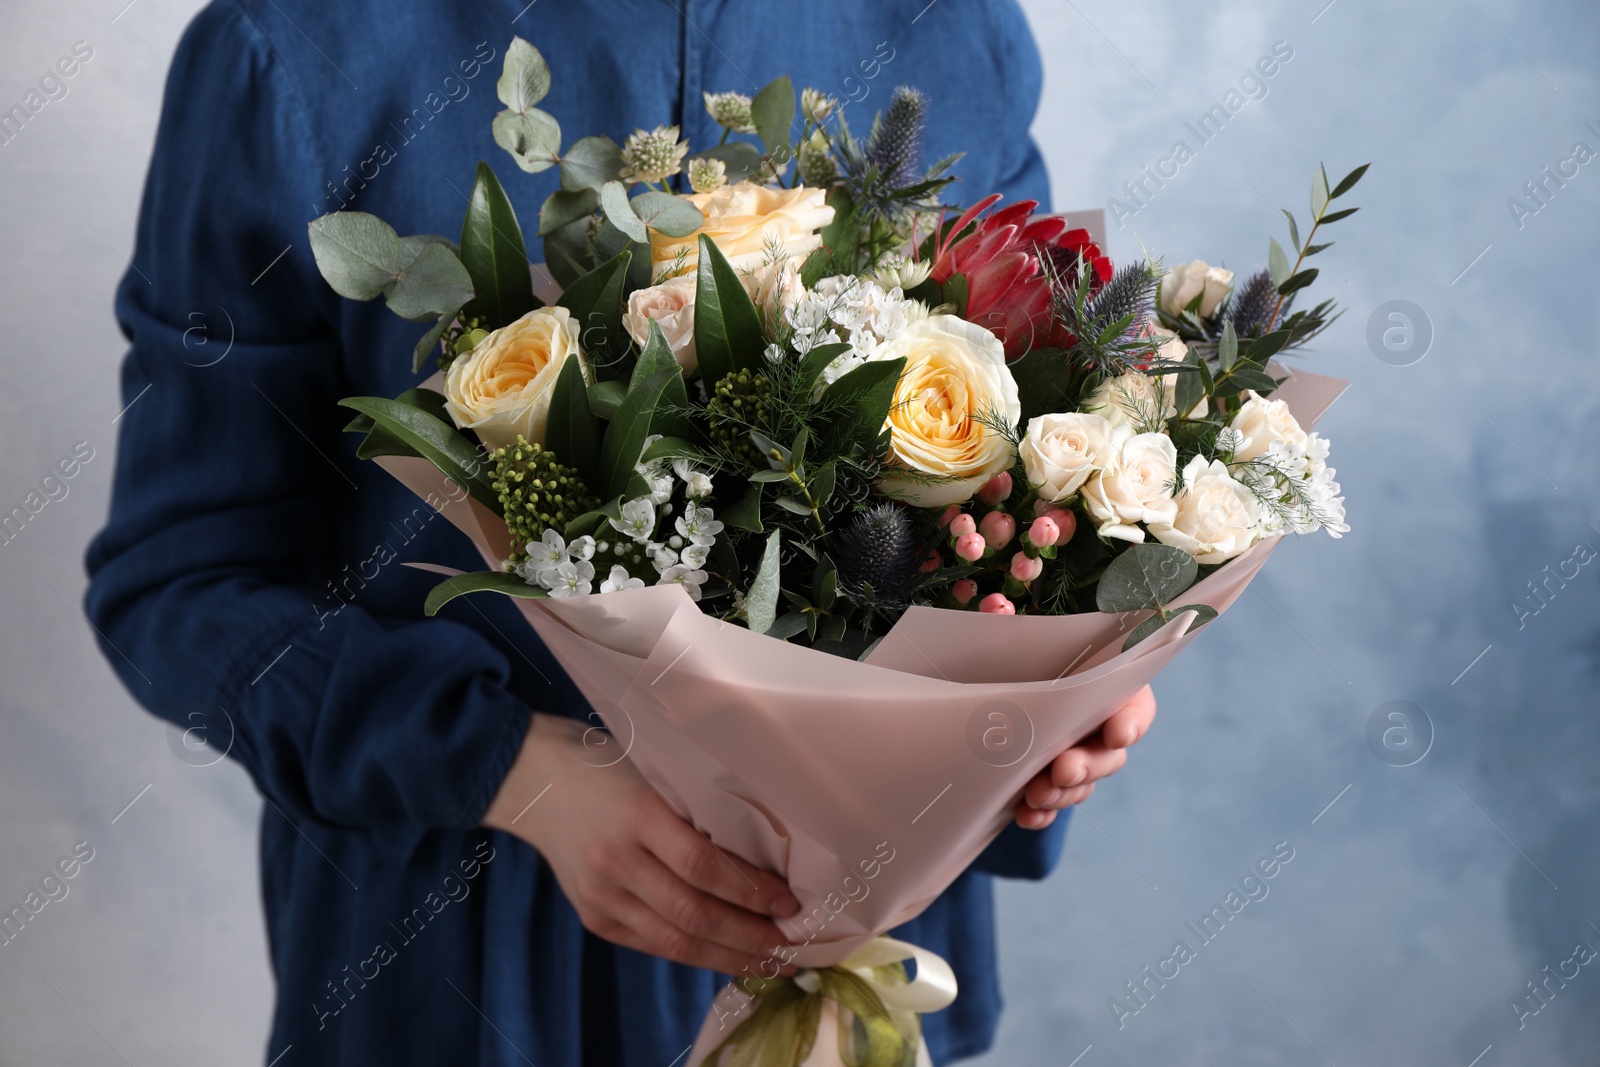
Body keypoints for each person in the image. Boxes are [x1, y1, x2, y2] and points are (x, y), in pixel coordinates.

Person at [83, 1, 1157, 1063]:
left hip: (871, 968)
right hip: (463, 960)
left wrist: (1064, 680)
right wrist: (515, 772)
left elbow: (1034, 463)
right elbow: (178, 584)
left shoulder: (951, 30)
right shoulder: (291, 51)